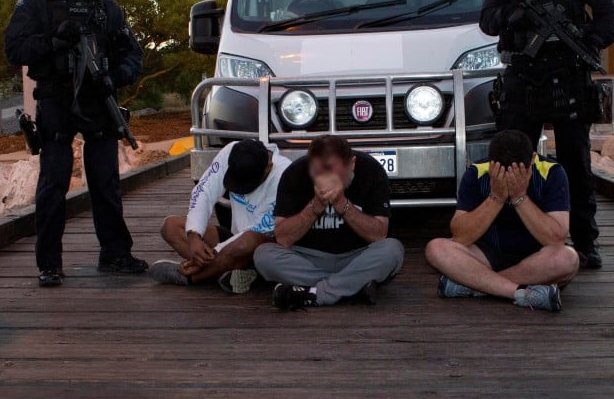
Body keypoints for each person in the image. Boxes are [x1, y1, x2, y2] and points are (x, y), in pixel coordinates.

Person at [479, 0, 614, 269]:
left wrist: (587, 39)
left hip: (568, 75)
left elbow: (609, 20)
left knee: (576, 161)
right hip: (523, 74)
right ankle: (510, 235)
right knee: (511, 160)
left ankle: (585, 240)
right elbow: (487, 20)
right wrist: (515, 18)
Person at [4, 0, 147, 287]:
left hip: (99, 101)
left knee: (106, 181)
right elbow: (15, 49)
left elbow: (133, 54)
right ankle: (49, 263)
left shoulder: (107, 6)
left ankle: (115, 254)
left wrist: (115, 76)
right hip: (56, 100)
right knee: (53, 182)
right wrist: (53, 42)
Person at [425, 130, 578, 311]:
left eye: (518, 172)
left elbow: (556, 238)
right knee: (436, 248)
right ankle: (516, 291)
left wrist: (520, 197)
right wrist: (496, 197)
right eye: (500, 172)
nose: (509, 178)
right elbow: (460, 236)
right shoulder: (476, 172)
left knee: (568, 259)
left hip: (535, 258)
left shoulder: (552, 172)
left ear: (533, 159)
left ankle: (478, 285)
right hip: (487, 253)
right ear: (490, 163)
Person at [253, 135, 404, 309]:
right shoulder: (294, 173)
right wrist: (316, 205)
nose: (326, 177)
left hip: (357, 256)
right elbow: (283, 238)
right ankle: (352, 286)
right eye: (318, 172)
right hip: (308, 257)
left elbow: (379, 235)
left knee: (393, 250)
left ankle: (316, 293)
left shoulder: (371, 170)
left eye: (333, 170)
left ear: (352, 163)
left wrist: (342, 203)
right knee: (263, 256)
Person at [151, 139, 291, 293]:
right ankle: (226, 271)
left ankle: (191, 277)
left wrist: (216, 252)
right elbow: (204, 191)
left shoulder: (285, 176)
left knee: (247, 241)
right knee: (171, 227)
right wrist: (194, 235)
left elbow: (258, 229)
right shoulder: (233, 151)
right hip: (234, 236)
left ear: (268, 168)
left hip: (263, 247)